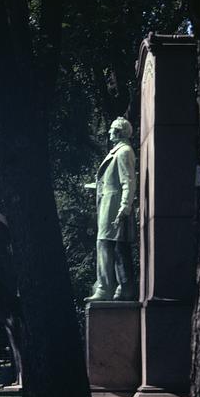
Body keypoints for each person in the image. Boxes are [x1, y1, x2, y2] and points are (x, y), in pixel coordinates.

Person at [84, 116, 137, 301]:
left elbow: (128, 181)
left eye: (112, 129)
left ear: (119, 132)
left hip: (114, 206)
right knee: (109, 245)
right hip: (108, 204)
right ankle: (115, 287)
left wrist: (125, 205)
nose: (109, 133)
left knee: (107, 245)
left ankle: (106, 287)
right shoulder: (119, 151)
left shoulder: (123, 152)